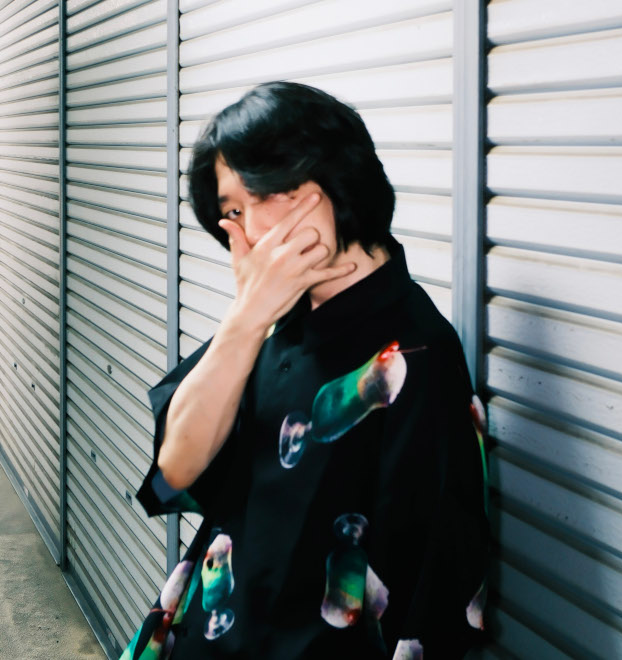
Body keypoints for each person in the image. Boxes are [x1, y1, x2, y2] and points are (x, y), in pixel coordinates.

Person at [120, 81, 489, 660]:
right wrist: (246, 318)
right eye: (233, 211)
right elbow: (174, 470)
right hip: (207, 632)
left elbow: (430, 595)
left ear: (332, 182)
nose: (250, 230)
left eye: (266, 194)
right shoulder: (271, 317)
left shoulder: (417, 354)